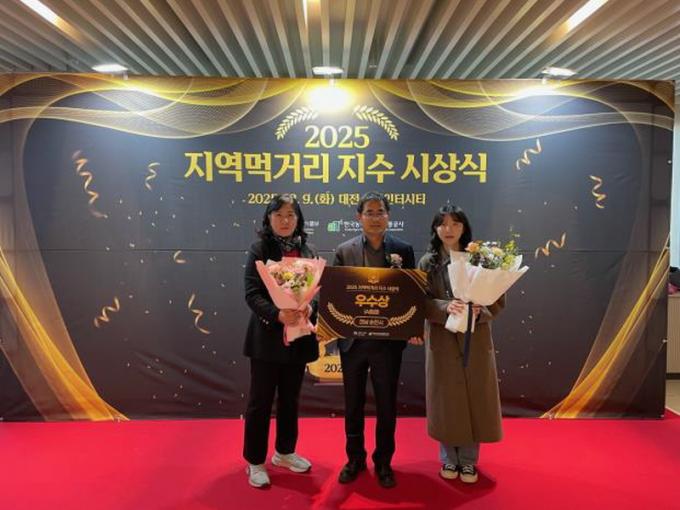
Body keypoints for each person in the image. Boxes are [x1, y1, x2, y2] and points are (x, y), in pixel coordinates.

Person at [333, 191, 416, 489]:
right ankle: (355, 458)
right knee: (353, 404)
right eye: (369, 212)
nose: (375, 217)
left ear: (388, 216)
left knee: (386, 406)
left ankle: (383, 461)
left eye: (380, 212)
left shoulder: (403, 250)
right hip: (353, 343)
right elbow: (335, 292)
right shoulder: (344, 250)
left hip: (388, 344)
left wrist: (412, 327)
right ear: (359, 217)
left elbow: (411, 293)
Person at [418, 204, 504, 484]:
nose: (449, 229)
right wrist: (445, 306)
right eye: (443, 224)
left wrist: (481, 310)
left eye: (455, 223)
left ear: (464, 228)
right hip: (442, 339)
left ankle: (468, 461)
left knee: (474, 396)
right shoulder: (427, 263)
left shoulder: (480, 260)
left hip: (475, 339)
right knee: (446, 399)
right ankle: (448, 458)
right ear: (435, 229)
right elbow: (419, 301)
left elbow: (497, 299)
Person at [242, 194, 319, 488]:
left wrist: (310, 307)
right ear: (268, 219)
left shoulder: (308, 251)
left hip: (297, 338)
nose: (285, 221)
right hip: (266, 340)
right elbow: (252, 294)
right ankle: (255, 461)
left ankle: (284, 452)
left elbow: (316, 291)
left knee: (290, 400)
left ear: (298, 219)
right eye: (279, 215)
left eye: (290, 215)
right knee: (260, 402)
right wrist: (277, 314)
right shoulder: (260, 249)